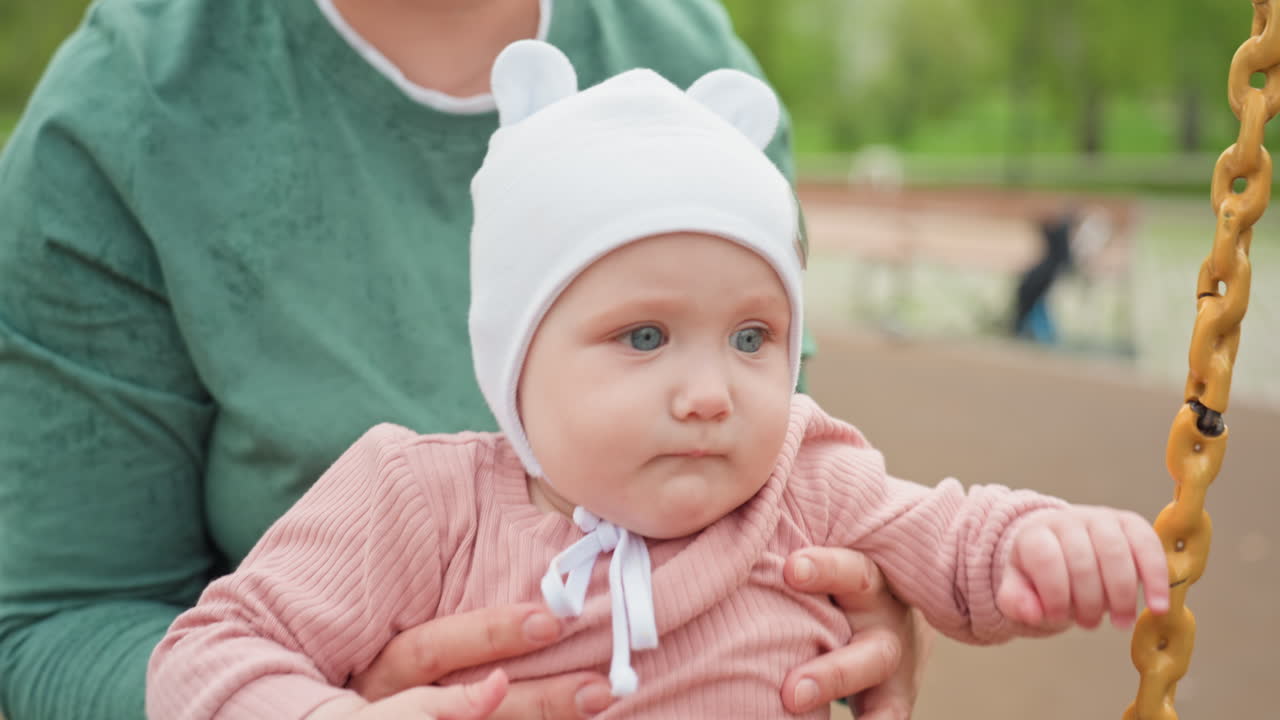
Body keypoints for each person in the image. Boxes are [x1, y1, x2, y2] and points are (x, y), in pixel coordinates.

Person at [146, 40, 1170, 720]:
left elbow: (952, 541)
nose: (709, 393)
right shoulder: (416, 504)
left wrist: (1039, 546)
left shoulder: (802, 480)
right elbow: (211, 654)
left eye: (752, 337)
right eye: (644, 337)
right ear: (515, 356)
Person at [0, 2, 927, 719]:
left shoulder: (692, 57)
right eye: (643, 335)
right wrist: (312, 698)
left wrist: (866, 587)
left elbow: (778, 485)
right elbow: (52, 625)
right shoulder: (129, 109)